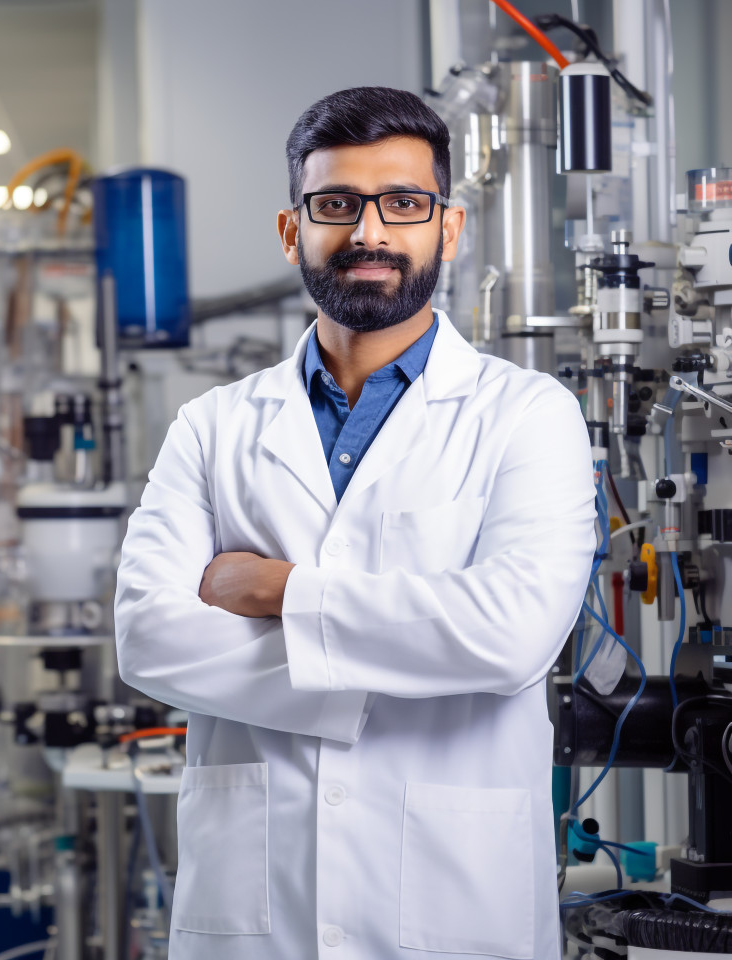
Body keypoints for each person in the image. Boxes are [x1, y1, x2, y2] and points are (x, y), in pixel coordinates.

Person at [115, 86, 596, 960]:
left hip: (455, 908)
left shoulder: (528, 415)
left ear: (446, 228)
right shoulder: (214, 424)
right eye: (335, 205)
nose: (369, 232)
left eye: (403, 204)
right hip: (253, 915)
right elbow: (151, 638)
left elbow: (512, 635)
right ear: (292, 230)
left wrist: (280, 591)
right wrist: (411, 655)